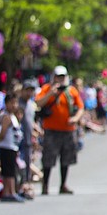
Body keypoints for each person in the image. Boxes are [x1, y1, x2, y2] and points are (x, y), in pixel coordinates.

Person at [35, 65, 83, 195]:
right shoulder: (46, 89)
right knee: (48, 159)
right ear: (54, 77)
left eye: (62, 77)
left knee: (66, 159)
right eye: (58, 77)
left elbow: (80, 107)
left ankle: (63, 185)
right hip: (51, 130)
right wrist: (51, 92)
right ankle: (45, 185)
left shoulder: (72, 91)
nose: (60, 79)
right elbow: (38, 103)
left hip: (68, 130)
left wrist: (76, 118)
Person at [0, 92, 27, 202]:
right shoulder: (6, 117)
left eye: (15, 103)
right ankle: (9, 192)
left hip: (13, 147)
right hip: (6, 147)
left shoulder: (13, 116)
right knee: (8, 171)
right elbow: (2, 133)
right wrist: (0, 138)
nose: (14, 106)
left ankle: (10, 191)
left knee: (11, 170)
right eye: (11, 103)